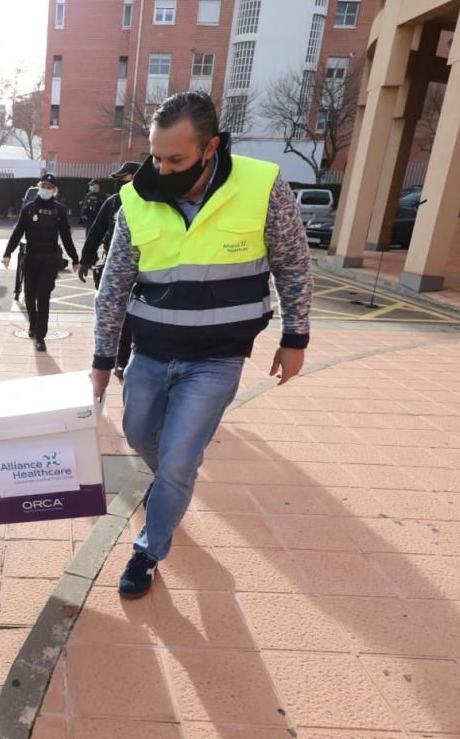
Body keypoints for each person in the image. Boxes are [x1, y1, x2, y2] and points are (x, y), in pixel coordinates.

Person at [90, 92, 312, 598]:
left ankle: (148, 550)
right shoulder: (135, 198)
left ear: (210, 147)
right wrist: (103, 359)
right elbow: (115, 284)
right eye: (156, 156)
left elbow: (293, 263)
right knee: (141, 436)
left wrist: (295, 336)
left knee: (177, 461)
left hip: (216, 359)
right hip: (149, 352)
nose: (163, 170)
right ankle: (171, 481)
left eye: (177, 159)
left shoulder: (262, 185)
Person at [2, 173, 79, 353]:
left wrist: (75, 258)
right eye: (43, 185)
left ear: (55, 190)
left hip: (49, 260)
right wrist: (7, 253)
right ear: (39, 186)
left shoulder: (59, 210)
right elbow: (18, 232)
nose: (45, 189)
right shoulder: (28, 208)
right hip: (31, 258)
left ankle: (40, 335)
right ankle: (33, 325)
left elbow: (66, 236)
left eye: (49, 187)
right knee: (29, 295)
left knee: (43, 297)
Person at [78, 161, 140, 378]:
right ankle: (106, 359)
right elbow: (96, 231)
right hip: (112, 266)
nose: (119, 183)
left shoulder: (149, 204)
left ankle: (122, 361)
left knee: (130, 319)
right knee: (108, 314)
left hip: (141, 272)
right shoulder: (112, 203)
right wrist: (85, 260)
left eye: (124, 178)